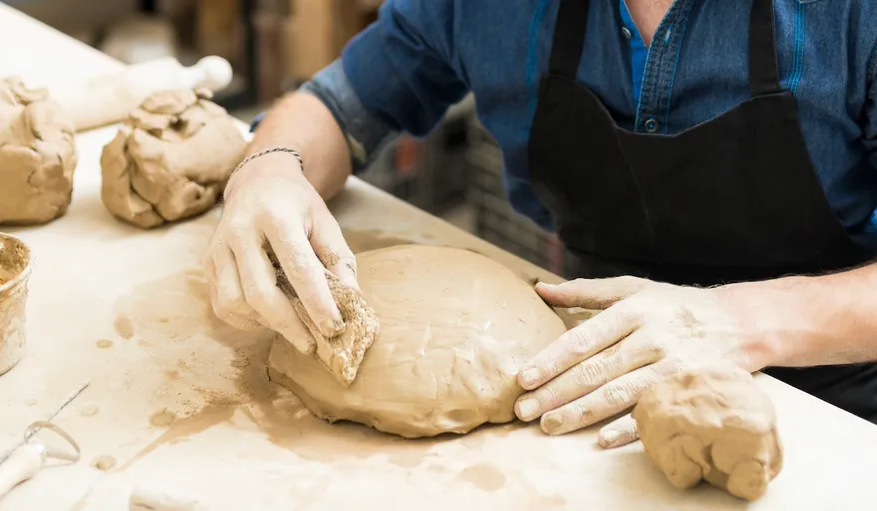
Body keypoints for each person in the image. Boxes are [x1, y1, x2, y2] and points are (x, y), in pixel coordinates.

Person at [204, 0, 877, 447]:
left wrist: (737, 321)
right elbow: (340, 103)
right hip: (583, 388)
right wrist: (270, 166)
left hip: (838, 412)